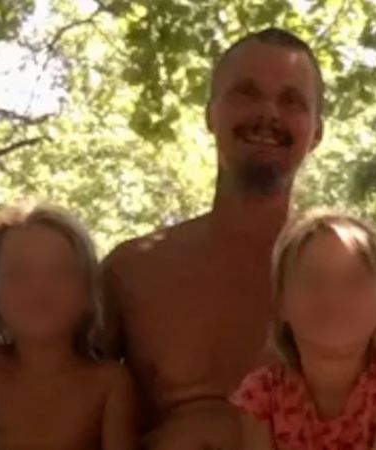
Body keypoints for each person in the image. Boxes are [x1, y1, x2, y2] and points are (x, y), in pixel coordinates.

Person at [101, 27, 325, 449]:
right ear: (210, 114)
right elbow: (49, 397)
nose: (268, 113)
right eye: (246, 93)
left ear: (316, 133)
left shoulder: (352, 276)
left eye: (291, 101)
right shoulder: (133, 270)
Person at [231, 211, 376, 449]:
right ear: (281, 304)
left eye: (355, 282)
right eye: (313, 280)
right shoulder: (261, 394)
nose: (334, 298)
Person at [0, 205, 136, 450]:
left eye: (61, 273)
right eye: (18, 274)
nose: (39, 290)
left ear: (88, 293)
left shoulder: (108, 384)